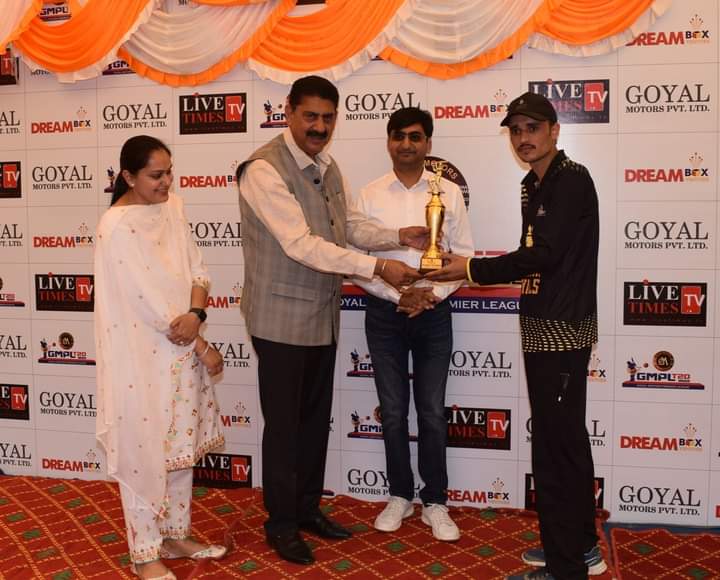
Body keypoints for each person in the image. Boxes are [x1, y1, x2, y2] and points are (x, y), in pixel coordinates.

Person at [236, 75, 428, 565]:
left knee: (313, 422)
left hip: (321, 317)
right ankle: (281, 524)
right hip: (279, 319)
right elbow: (301, 244)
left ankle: (306, 510)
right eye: (310, 116)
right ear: (288, 112)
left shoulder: (327, 165)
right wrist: (378, 267)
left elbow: (346, 227)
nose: (319, 127)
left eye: (327, 118)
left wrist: (395, 235)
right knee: (285, 427)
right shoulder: (263, 170)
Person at [426, 92, 606, 580]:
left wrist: (470, 268)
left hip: (562, 330)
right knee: (563, 441)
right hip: (543, 323)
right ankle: (579, 548)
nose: (523, 138)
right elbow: (536, 255)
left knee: (556, 448)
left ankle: (566, 567)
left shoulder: (571, 179)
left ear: (554, 131)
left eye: (533, 128)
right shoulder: (534, 183)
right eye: (516, 130)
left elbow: (544, 255)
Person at [95, 135, 226, 580]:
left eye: (170, 172)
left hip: (181, 350)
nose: (167, 181)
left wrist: (197, 314)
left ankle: (175, 534)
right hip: (141, 359)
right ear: (128, 176)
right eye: (156, 175)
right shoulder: (115, 226)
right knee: (144, 451)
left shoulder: (173, 208)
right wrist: (200, 343)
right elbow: (149, 304)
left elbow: (198, 270)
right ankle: (144, 551)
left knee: (179, 450)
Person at [351, 107, 474, 541]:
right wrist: (399, 295)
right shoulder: (368, 195)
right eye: (399, 136)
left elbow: (463, 258)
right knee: (393, 412)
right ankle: (400, 495)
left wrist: (429, 295)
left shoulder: (449, 194)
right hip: (384, 314)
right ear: (388, 141)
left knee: (433, 412)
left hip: (434, 313)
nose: (406, 144)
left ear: (428, 144)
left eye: (415, 137)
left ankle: (435, 501)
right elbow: (357, 262)